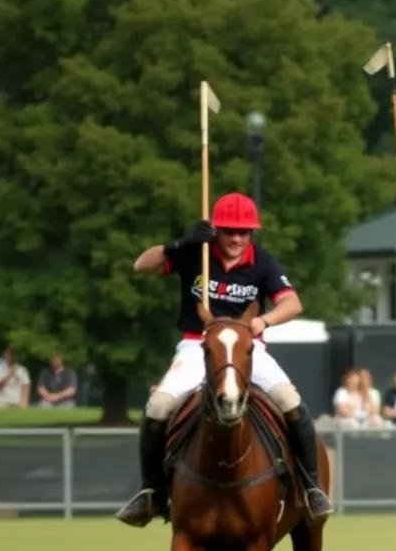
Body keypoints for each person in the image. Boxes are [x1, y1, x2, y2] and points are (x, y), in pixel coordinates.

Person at [115, 192, 331, 527]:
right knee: (157, 407)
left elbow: (292, 303)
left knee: (292, 403)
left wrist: (264, 321)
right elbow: (141, 265)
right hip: (196, 345)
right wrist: (180, 244)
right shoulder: (195, 253)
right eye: (229, 230)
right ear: (216, 230)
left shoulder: (262, 262)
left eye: (244, 232)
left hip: (248, 348)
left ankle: (311, 488)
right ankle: (152, 492)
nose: (236, 238)